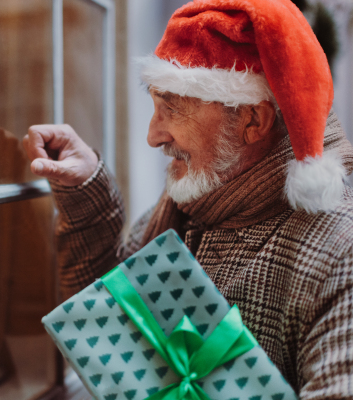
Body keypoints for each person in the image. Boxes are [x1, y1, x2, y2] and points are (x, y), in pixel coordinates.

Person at [23, 0, 353, 398]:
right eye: (154, 105)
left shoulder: (341, 252)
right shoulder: (196, 201)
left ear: (253, 120)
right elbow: (113, 324)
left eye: (172, 108)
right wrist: (84, 187)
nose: (153, 134)